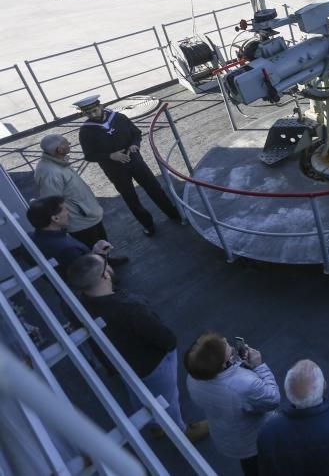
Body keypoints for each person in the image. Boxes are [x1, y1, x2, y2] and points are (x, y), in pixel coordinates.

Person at [66, 254, 208, 442]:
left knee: (137, 394)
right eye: (105, 263)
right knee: (168, 398)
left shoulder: (73, 304)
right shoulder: (129, 307)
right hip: (151, 365)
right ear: (106, 275)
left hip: (121, 364)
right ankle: (180, 431)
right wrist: (170, 345)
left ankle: (153, 425)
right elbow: (164, 337)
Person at [74, 95, 181, 236]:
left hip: (136, 162)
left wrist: (134, 145)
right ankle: (148, 224)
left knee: (154, 188)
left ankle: (173, 213)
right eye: (88, 113)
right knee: (131, 199)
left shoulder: (119, 118)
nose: (93, 115)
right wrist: (110, 156)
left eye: (95, 110)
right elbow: (89, 155)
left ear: (101, 106)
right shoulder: (86, 131)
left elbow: (136, 133)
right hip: (115, 170)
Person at [185, 332, 281, 476]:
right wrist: (259, 366)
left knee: (250, 466)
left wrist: (236, 365)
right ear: (222, 364)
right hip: (255, 439)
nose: (224, 339)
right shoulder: (244, 385)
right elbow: (273, 399)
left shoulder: (193, 378)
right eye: (223, 345)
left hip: (231, 438)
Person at [34, 134, 107, 246]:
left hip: (87, 214)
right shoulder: (50, 173)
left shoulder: (56, 162)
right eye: (66, 143)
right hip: (80, 221)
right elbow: (53, 202)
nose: (69, 144)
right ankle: (103, 262)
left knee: (101, 242)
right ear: (60, 149)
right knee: (94, 248)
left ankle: (108, 260)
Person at [27, 196, 126, 270]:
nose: (67, 212)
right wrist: (98, 254)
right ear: (55, 218)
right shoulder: (67, 248)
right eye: (65, 209)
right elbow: (87, 273)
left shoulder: (30, 238)